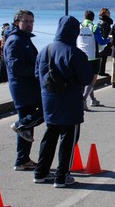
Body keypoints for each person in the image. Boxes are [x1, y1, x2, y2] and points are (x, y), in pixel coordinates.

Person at [34, 15, 93, 188]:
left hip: (49, 99)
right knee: (68, 138)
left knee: (49, 135)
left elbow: (37, 74)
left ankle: (41, 171)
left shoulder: (46, 49)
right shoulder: (74, 53)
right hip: (70, 101)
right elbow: (86, 77)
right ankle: (62, 175)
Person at [3, 10, 43, 171]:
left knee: (27, 127)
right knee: (43, 111)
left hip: (28, 86)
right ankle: (21, 126)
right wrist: (37, 70)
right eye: (26, 21)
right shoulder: (15, 40)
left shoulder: (22, 39)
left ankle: (22, 159)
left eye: (31, 22)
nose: (29, 25)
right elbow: (16, 67)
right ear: (16, 22)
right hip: (22, 88)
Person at [76, 10, 110, 110]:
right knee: (92, 81)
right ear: (93, 18)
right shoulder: (94, 27)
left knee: (84, 80)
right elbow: (101, 41)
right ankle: (83, 99)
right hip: (92, 57)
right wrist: (109, 40)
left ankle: (93, 99)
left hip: (80, 56)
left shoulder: (79, 26)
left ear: (84, 17)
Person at [97, 7, 113, 76]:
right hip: (104, 42)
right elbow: (106, 33)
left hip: (99, 41)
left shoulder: (100, 21)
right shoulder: (105, 23)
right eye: (108, 12)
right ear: (104, 14)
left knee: (102, 57)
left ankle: (100, 71)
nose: (109, 14)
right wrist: (110, 42)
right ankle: (101, 71)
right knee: (103, 57)